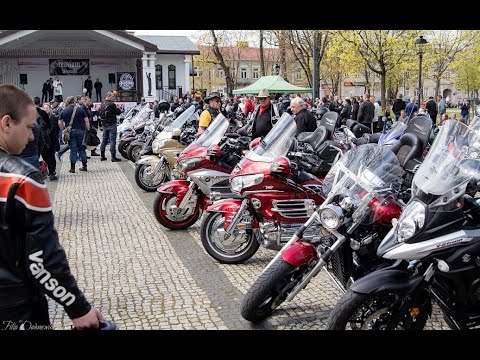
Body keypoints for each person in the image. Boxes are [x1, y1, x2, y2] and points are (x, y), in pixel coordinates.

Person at [0, 84, 103, 329]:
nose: (32, 136)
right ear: (6, 124)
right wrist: (78, 307)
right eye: (28, 127)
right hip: (17, 310)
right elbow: (41, 259)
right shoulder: (23, 179)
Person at [59, 96, 91, 173]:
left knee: (73, 149)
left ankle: (72, 168)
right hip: (81, 131)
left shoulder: (64, 111)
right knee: (82, 149)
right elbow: (86, 121)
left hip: (70, 132)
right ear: (74, 102)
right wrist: (88, 130)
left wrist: (63, 130)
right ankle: (84, 166)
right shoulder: (81, 110)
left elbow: (60, 122)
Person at [99, 92, 122, 161]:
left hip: (104, 124)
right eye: (112, 97)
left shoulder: (102, 104)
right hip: (111, 124)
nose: (113, 98)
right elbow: (118, 112)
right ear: (108, 96)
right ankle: (113, 157)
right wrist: (118, 109)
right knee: (112, 141)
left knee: (104, 140)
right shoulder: (112, 104)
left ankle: (102, 156)